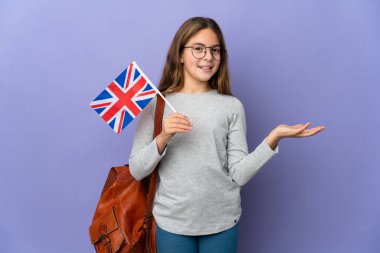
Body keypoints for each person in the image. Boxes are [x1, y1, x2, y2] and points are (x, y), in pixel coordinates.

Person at [129, 17, 325, 253]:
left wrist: (273, 139)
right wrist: (163, 138)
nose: (208, 57)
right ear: (180, 54)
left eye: (215, 50)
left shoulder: (232, 106)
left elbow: (239, 175)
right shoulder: (157, 105)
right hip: (171, 223)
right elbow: (137, 170)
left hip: (222, 222)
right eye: (198, 49)